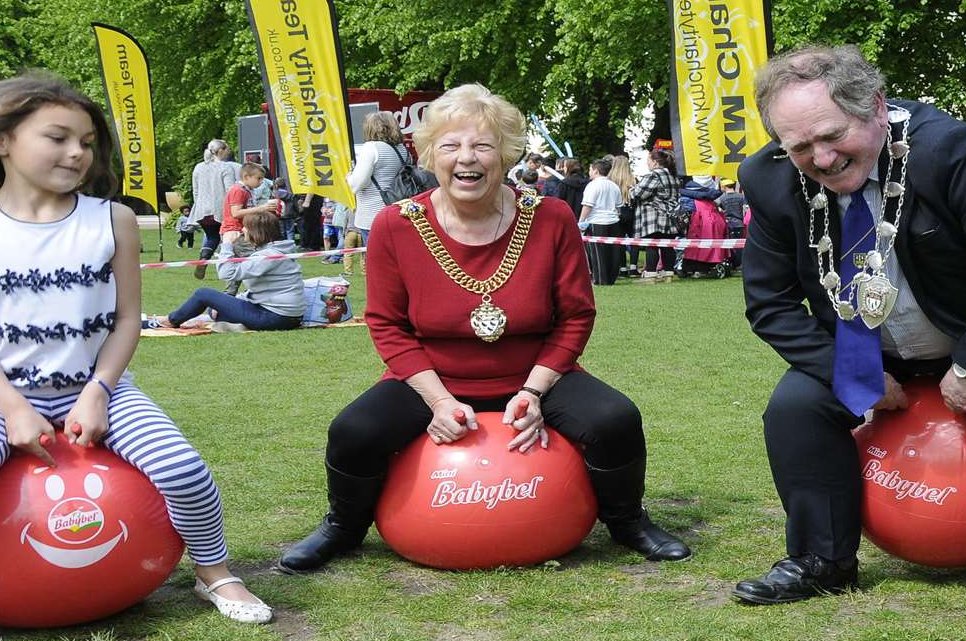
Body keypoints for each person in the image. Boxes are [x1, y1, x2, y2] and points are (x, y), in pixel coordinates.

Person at [0, 74, 271, 641]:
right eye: (57, 138)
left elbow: (128, 321)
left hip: (97, 388)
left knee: (183, 469)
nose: (77, 153)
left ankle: (214, 575)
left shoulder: (111, 220)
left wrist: (99, 392)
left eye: (86, 141)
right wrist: (11, 407)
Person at [278, 84, 690, 573]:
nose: (466, 158)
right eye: (450, 146)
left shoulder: (551, 217)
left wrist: (534, 391)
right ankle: (343, 527)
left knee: (615, 419)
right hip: (434, 377)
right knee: (354, 430)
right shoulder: (396, 225)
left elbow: (576, 315)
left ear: (508, 155)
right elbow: (387, 325)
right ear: (431, 154)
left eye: (482, 145)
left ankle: (627, 522)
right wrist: (436, 401)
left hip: (534, 373)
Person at [732, 45, 966, 621]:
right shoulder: (768, 180)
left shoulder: (951, 153)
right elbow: (769, 304)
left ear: (874, 106)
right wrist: (856, 374)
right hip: (865, 348)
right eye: (798, 146)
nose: (820, 158)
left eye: (831, 135)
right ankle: (823, 561)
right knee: (794, 408)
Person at [153, 209, 306, 331]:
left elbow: (226, 273)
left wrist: (226, 244)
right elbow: (264, 289)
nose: (243, 229)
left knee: (203, 294)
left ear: (257, 231)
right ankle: (214, 320)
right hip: (287, 316)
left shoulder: (268, 255)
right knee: (214, 310)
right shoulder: (278, 250)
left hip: (276, 317)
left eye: (246, 226)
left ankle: (170, 321)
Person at [347, 111, 412, 266]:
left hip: (373, 215)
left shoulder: (371, 148)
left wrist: (349, 175)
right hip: (398, 211)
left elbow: (356, 184)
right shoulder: (403, 150)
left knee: (378, 265)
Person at [628, 147, 684, 280]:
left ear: (655, 162)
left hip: (654, 216)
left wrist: (632, 189)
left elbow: (639, 193)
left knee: (651, 245)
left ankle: (651, 273)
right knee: (667, 245)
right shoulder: (673, 175)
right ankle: (668, 273)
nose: (647, 163)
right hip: (670, 215)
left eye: (648, 160)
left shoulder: (653, 175)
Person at [189, 140, 238, 280]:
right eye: (227, 148)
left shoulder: (198, 167)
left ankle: (203, 259)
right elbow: (230, 191)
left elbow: (196, 191)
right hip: (220, 210)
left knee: (212, 237)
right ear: (221, 151)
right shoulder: (225, 168)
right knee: (228, 239)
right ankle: (228, 269)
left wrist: (198, 206)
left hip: (202, 211)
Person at [579, 157, 625, 285]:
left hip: (597, 221)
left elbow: (588, 205)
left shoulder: (592, 185)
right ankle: (611, 278)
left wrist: (581, 222)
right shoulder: (614, 185)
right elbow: (618, 206)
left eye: (590, 169)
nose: (589, 172)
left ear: (595, 170)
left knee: (597, 253)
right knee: (613, 251)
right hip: (613, 221)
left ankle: (600, 279)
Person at [607, 155, 641, 277]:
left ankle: (622, 268)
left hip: (616, 212)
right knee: (634, 239)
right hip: (631, 212)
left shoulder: (609, 179)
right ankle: (633, 267)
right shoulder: (633, 179)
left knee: (619, 240)